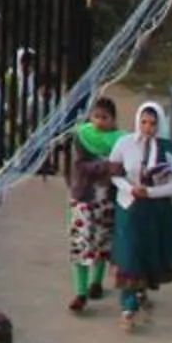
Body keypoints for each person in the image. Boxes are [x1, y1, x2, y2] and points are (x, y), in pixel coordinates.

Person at [109, 99, 172, 330]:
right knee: (129, 253)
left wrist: (154, 192)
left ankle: (140, 289)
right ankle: (128, 307)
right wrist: (130, 188)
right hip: (129, 207)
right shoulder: (125, 144)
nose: (147, 128)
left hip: (154, 210)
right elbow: (114, 172)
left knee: (146, 251)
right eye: (144, 122)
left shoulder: (168, 149)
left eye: (152, 123)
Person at [64, 94, 122, 312]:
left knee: (102, 242)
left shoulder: (121, 141)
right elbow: (80, 166)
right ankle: (80, 293)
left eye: (105, 117)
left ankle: (96, 283)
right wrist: (106, 166)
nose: (99, 121)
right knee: (81, 243)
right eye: (96, 116)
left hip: (107, 198)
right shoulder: (83, 136)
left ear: (114, 120)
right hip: (84, 198)